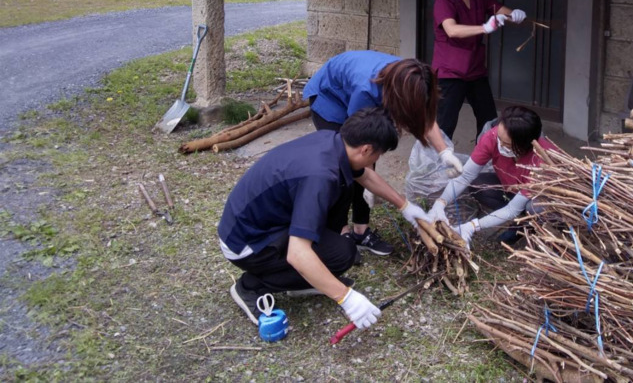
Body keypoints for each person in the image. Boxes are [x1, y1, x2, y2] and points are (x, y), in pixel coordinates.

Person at [218, 107, 431, 328]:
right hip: (247, 243)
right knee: (341, 255)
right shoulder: (320, 176)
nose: (377, 159)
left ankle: (309, 278)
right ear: (366, 149)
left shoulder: (333, 142)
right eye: (379, 154)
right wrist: (346, 298)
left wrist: (404, 205)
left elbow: (365, 176)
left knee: (342, 234)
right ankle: (250, 286)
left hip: (259, 222)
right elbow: (298, 254)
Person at [302, 51, 460, 257]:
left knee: (365, 164)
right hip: (330, 98)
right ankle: (341, 232)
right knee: (344, 166)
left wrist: (445, 153)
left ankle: (361, 231)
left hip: (358, 90)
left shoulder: (412, 79)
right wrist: (370, 179)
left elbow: (426, 117)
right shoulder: (366, 91)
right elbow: (359, 143)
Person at [432, 0, 528, 142]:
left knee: (488, 118)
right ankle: (437, 158)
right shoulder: (444, 0)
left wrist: (515, 15)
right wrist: (484, 27)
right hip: (450, 71)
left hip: (475, 69)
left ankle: (485, 155)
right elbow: (452, 30)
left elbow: (502, 11)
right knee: (445, 122)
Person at [427, 105, 554, 247]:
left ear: (525, 145)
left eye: (506, 144)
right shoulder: (493, 136)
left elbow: (512, 209)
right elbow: (465, 176)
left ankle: (529, 224)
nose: (499, 144)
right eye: (499, 138)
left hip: (539, 198)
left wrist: (473, 226)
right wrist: (441, 202)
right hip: (512, 189)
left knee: (535, 207)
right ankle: (518, 218)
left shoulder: (541, 163)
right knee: (477, 184)